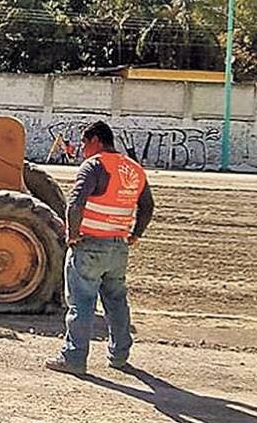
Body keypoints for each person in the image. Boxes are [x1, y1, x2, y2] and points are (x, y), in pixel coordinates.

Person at [45, 120, 154, 375]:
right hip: (118, 247)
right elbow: (148, 205)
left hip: (90, 245)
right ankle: (119, 355)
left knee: (81, 303)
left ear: (95, 140)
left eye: (84, 143)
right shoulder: (134, 168)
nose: (82, 149)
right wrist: (135, 234)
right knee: (116, 302)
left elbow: (76, 203)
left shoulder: (94, 165)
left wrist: (72, 235)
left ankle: (74, 358)